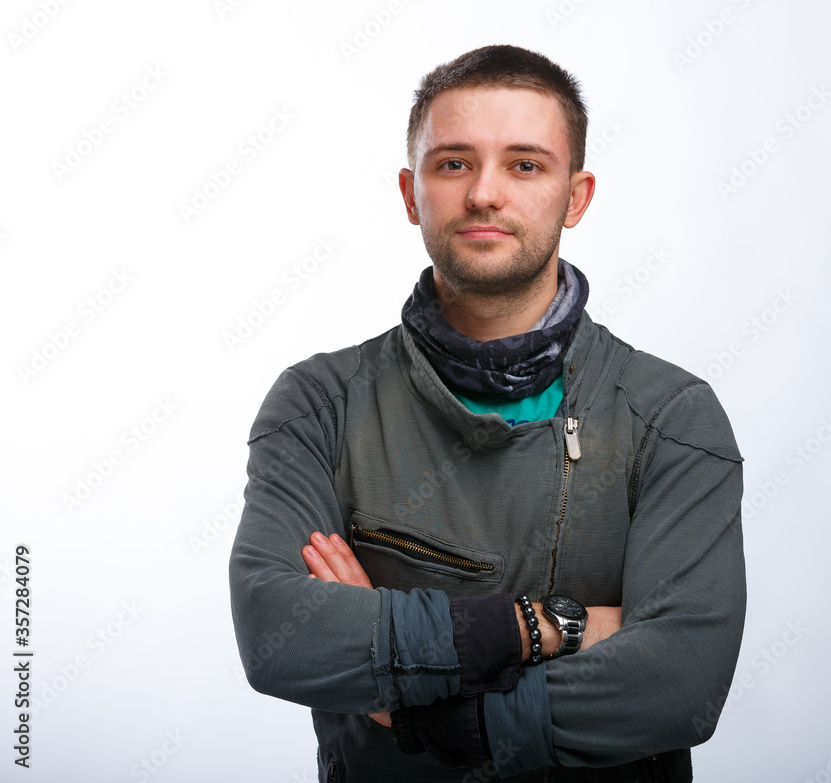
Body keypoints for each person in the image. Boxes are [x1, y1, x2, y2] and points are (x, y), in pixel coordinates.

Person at [229, 44, 746, 782]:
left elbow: (678, 686)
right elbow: (280, 635)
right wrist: (543, 627)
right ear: (412, 194)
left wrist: (413, 700)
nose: (484, 195)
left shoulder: (673, 417)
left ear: (576, 195)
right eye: (454, 164)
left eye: (526, 164)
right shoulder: (318, 403)